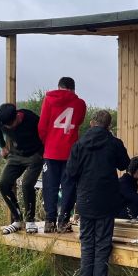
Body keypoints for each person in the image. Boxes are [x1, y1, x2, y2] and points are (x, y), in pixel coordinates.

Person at [65, 110, 130, 276]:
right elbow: (124, 164)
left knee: (86, 242)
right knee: (102, 243)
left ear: (92, 123)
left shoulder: (79, 145)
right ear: (109, 126)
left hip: (85, 199)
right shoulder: (114, 143)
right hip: (107, 200)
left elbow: (71, 172)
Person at [38, 77, 87, 233]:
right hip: (70, 152)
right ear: (73, 89)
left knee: (49, 187)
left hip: (51, 151)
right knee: (69, 187)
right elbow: (78, 122)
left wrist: (48, 143)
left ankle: (49, 221)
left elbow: (42, 126)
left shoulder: (49, 100)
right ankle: (63, 222)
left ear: (59, 87)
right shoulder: (80, 104)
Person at [0, 103, 44, 235]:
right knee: (3, 184)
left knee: (27, 184)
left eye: (12, 124)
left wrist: (41, 154)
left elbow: (45, 134)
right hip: (16, 155)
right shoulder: (0, 121)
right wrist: (3, 147)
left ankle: (30, 221)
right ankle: (17, 220)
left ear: (17, 116)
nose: (10, 128)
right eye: (7, 126)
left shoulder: (32, 119)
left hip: (34, 155)